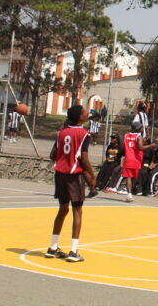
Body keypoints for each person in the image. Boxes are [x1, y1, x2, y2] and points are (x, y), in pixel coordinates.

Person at [47, 104, 95, 262]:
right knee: (77, 211)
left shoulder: (60, 133)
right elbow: (84, 158)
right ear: (79, 117)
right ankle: (74, 251)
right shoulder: (83, 134)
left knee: (62, 210)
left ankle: (53, 248)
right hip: (74, 176)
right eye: (84, 112)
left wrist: (64, 158)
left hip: (60, 174)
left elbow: (53, 154)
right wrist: (92, 176)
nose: (87, 113)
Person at [121, 121, 157, 203]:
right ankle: (131, 191)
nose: (142, 128)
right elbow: (140, 147)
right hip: (136, 159)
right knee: (135, 177)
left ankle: (129, 193)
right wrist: (150, 146)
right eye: (141, 127)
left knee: (128, 177)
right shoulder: (139, 136)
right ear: (138, 128)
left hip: (128, 158)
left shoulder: (126, 135)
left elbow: (123, 147)